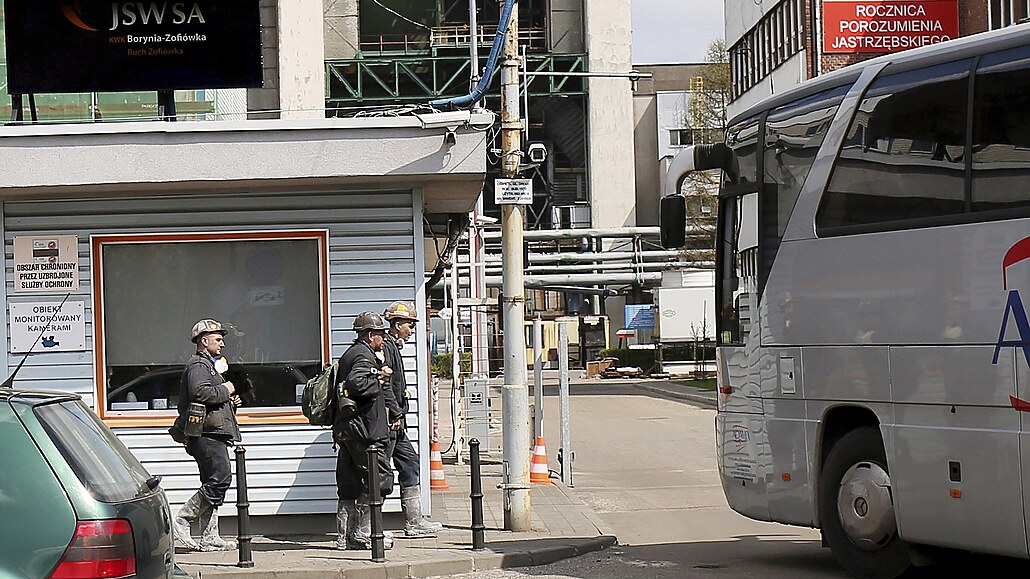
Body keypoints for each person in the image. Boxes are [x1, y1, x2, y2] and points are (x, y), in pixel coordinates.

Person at [171, 319, 242, 552]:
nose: (222, 344)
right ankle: (182, 520)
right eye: (218, 339)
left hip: (211, 431)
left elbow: (210, 398)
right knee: (220, 478)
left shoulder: (208, 365)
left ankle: (210, 536)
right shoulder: (199, 366)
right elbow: (200, 392)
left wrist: (230, 402)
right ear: (204, 341)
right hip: (206, 434)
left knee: (211, 481)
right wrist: (226, 390)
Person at [334, 311, 396, 550]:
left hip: (349, 429)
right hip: (365, 431)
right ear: (370, 335)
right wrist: (380, 379)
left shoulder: (351, 353)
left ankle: (345, 537)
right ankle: (364, 532)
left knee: (349, 483)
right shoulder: (363, 355)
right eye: (381, 334)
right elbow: (357, 383)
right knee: (379, 479)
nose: (384, 338)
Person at [382, 301, 444, 537]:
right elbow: (384, 385)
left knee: (409, 463)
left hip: (397, 424)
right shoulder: (387, 348)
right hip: (390, 422)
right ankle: (368, 529)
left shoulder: (392, 347)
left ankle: (414, 522)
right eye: (409, 325)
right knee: (380, 472)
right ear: (397, 325)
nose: (412, 330)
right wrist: (395, 413)